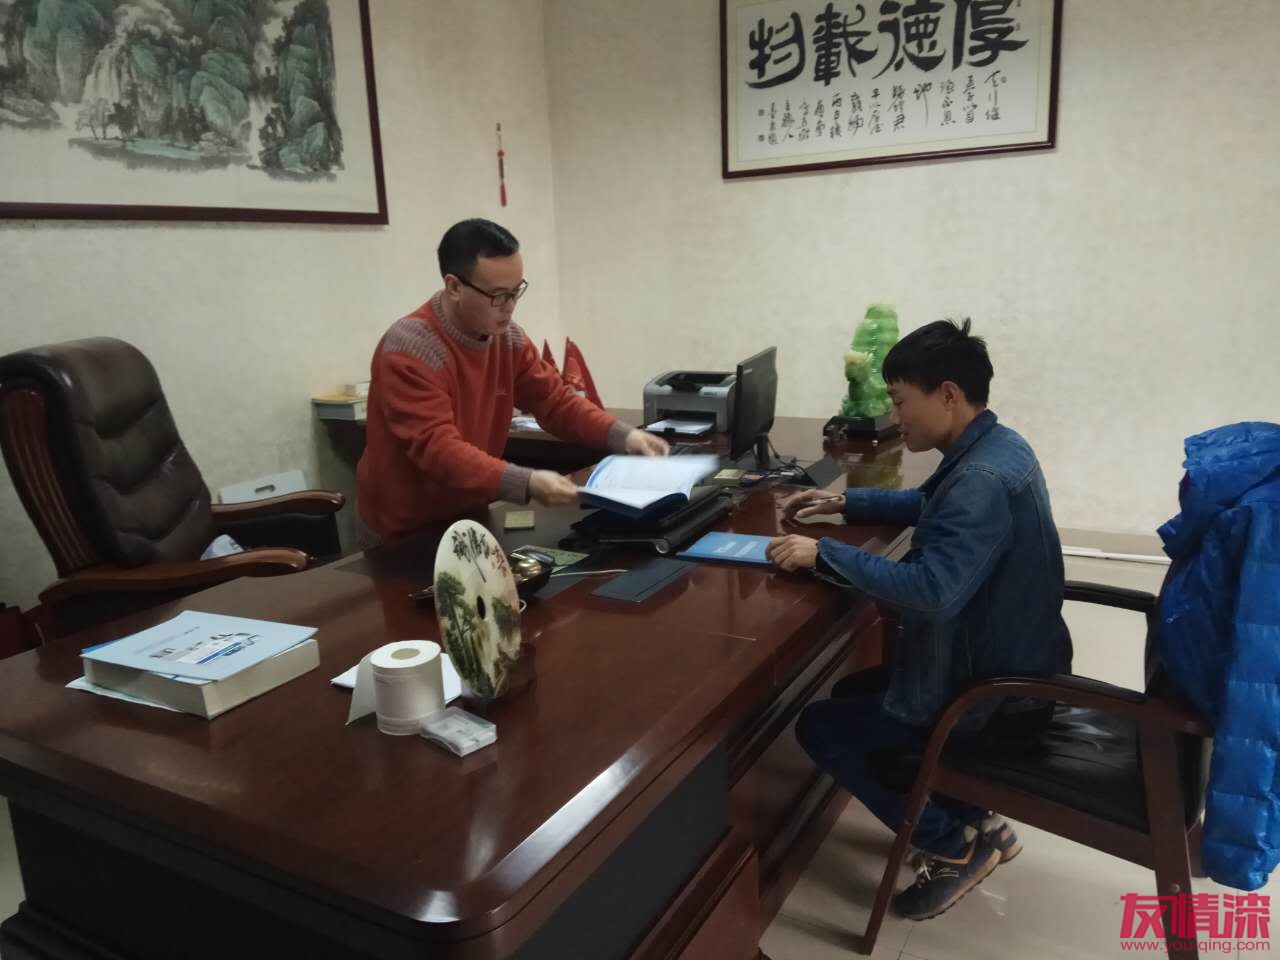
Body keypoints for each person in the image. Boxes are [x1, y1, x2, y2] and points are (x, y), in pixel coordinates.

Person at [767, 319, 1071, 920]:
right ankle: (975, 813)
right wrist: (846, 501)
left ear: (948, 395)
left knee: (821, 727)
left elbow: (932, 594)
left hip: (989, 693)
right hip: (1014, 661)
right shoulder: (997, 446)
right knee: (854, 690)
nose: (895, 416)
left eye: (901, 400)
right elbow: (933, 504)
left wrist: (824, 553)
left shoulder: (980, 479)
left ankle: (951, 846)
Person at [356, 219, 666, 544]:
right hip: (404, 530)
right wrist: (526, 482)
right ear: (454, 287)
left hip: (470, 516)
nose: (510, 307)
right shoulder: (411, 347)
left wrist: (624, 436)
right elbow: (437, 449)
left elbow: (555, 401)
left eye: (516, 291)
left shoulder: (508, 339)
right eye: (498, 295)